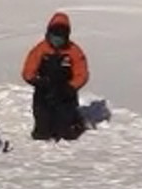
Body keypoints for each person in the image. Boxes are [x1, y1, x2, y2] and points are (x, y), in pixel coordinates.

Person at [21, 11, 90, 141]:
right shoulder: (40, 49)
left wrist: (70, 87)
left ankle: (74, 120)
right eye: (54, 35)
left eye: (61, 36)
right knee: (42, 134)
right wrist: (38, 82)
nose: (57, 40)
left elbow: (82, 73)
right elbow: (28, 71)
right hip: (44, 91)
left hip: (65, 92)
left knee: (67, 134)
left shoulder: (74, 51)